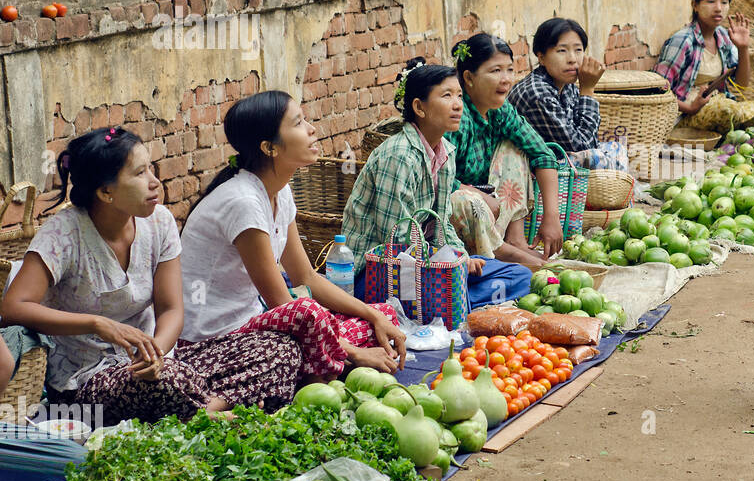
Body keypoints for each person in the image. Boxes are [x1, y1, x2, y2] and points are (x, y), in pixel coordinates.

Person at [0, 127, 306, 424]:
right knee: (163, 383)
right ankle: (210, 411)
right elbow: (14, 306)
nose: (154, 182)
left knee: (280, 349)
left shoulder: (159, 222)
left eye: (151, 169)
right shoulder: (64, 234)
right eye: (139, 173)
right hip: (88, 381)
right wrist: (97, 324)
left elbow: (172, 309)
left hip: (164, 364)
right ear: (106, 192)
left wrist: (156, 352)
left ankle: (201, 412)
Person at [178, 92, 408, 380]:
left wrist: (373, 317)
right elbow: (283, 304)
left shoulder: (280, 192)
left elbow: (306, 277)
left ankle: (324, 363)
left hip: (257, 327)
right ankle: (329, 363)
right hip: (213, 343)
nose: (312, 129)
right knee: (305, 317)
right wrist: (354, 351)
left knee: (384, 315)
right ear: (269, 147)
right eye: (298, 123)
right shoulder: (243, 202)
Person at [342, 58, 531, 306]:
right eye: (446, 96)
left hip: (426, 265)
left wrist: (461, 257)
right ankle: (447, 301)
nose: (458, 105)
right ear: (420, 108)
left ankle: (446, 301)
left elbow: (443, 224)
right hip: (378, 272)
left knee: (519, 275)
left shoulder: (445, 153)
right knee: (434, 291)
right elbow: (396, 240)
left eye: (460, 96)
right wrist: (450, 263)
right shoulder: (398, 156)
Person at [444, 33, 564, 266]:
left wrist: (551, 217)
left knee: (515, 147)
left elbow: (543, 153)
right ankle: (499, 253)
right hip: (457, 220)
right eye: (495, 71)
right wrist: (477, 195)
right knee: (465, 200)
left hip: (492, 209)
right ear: (468, 78)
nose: (506, 79)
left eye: (510, 69)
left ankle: (516, 240)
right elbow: (436, 176)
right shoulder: (456, 116)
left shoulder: (500, 110)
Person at [507, 18, 628, 170]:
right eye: (562, 51)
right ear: (541, 57)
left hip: (560, 157)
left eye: (578, 50)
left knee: (617, 148)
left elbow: (585, 136)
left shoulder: (565, 84)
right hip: (534, 169)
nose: (572, 59)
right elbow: (584, 147)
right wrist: (588, 90)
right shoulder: (538, 93)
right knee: (596, 158)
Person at [654, 0, 754, 132]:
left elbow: (742, 84)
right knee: (729, 112)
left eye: (724, 2)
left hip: (717, 103)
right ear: (695, 5)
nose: (718, 8)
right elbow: (658, 90)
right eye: (711, 1)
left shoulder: (723, 36)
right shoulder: (683, 41)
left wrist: (743, 48)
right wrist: (690, 108)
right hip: (684, 114)